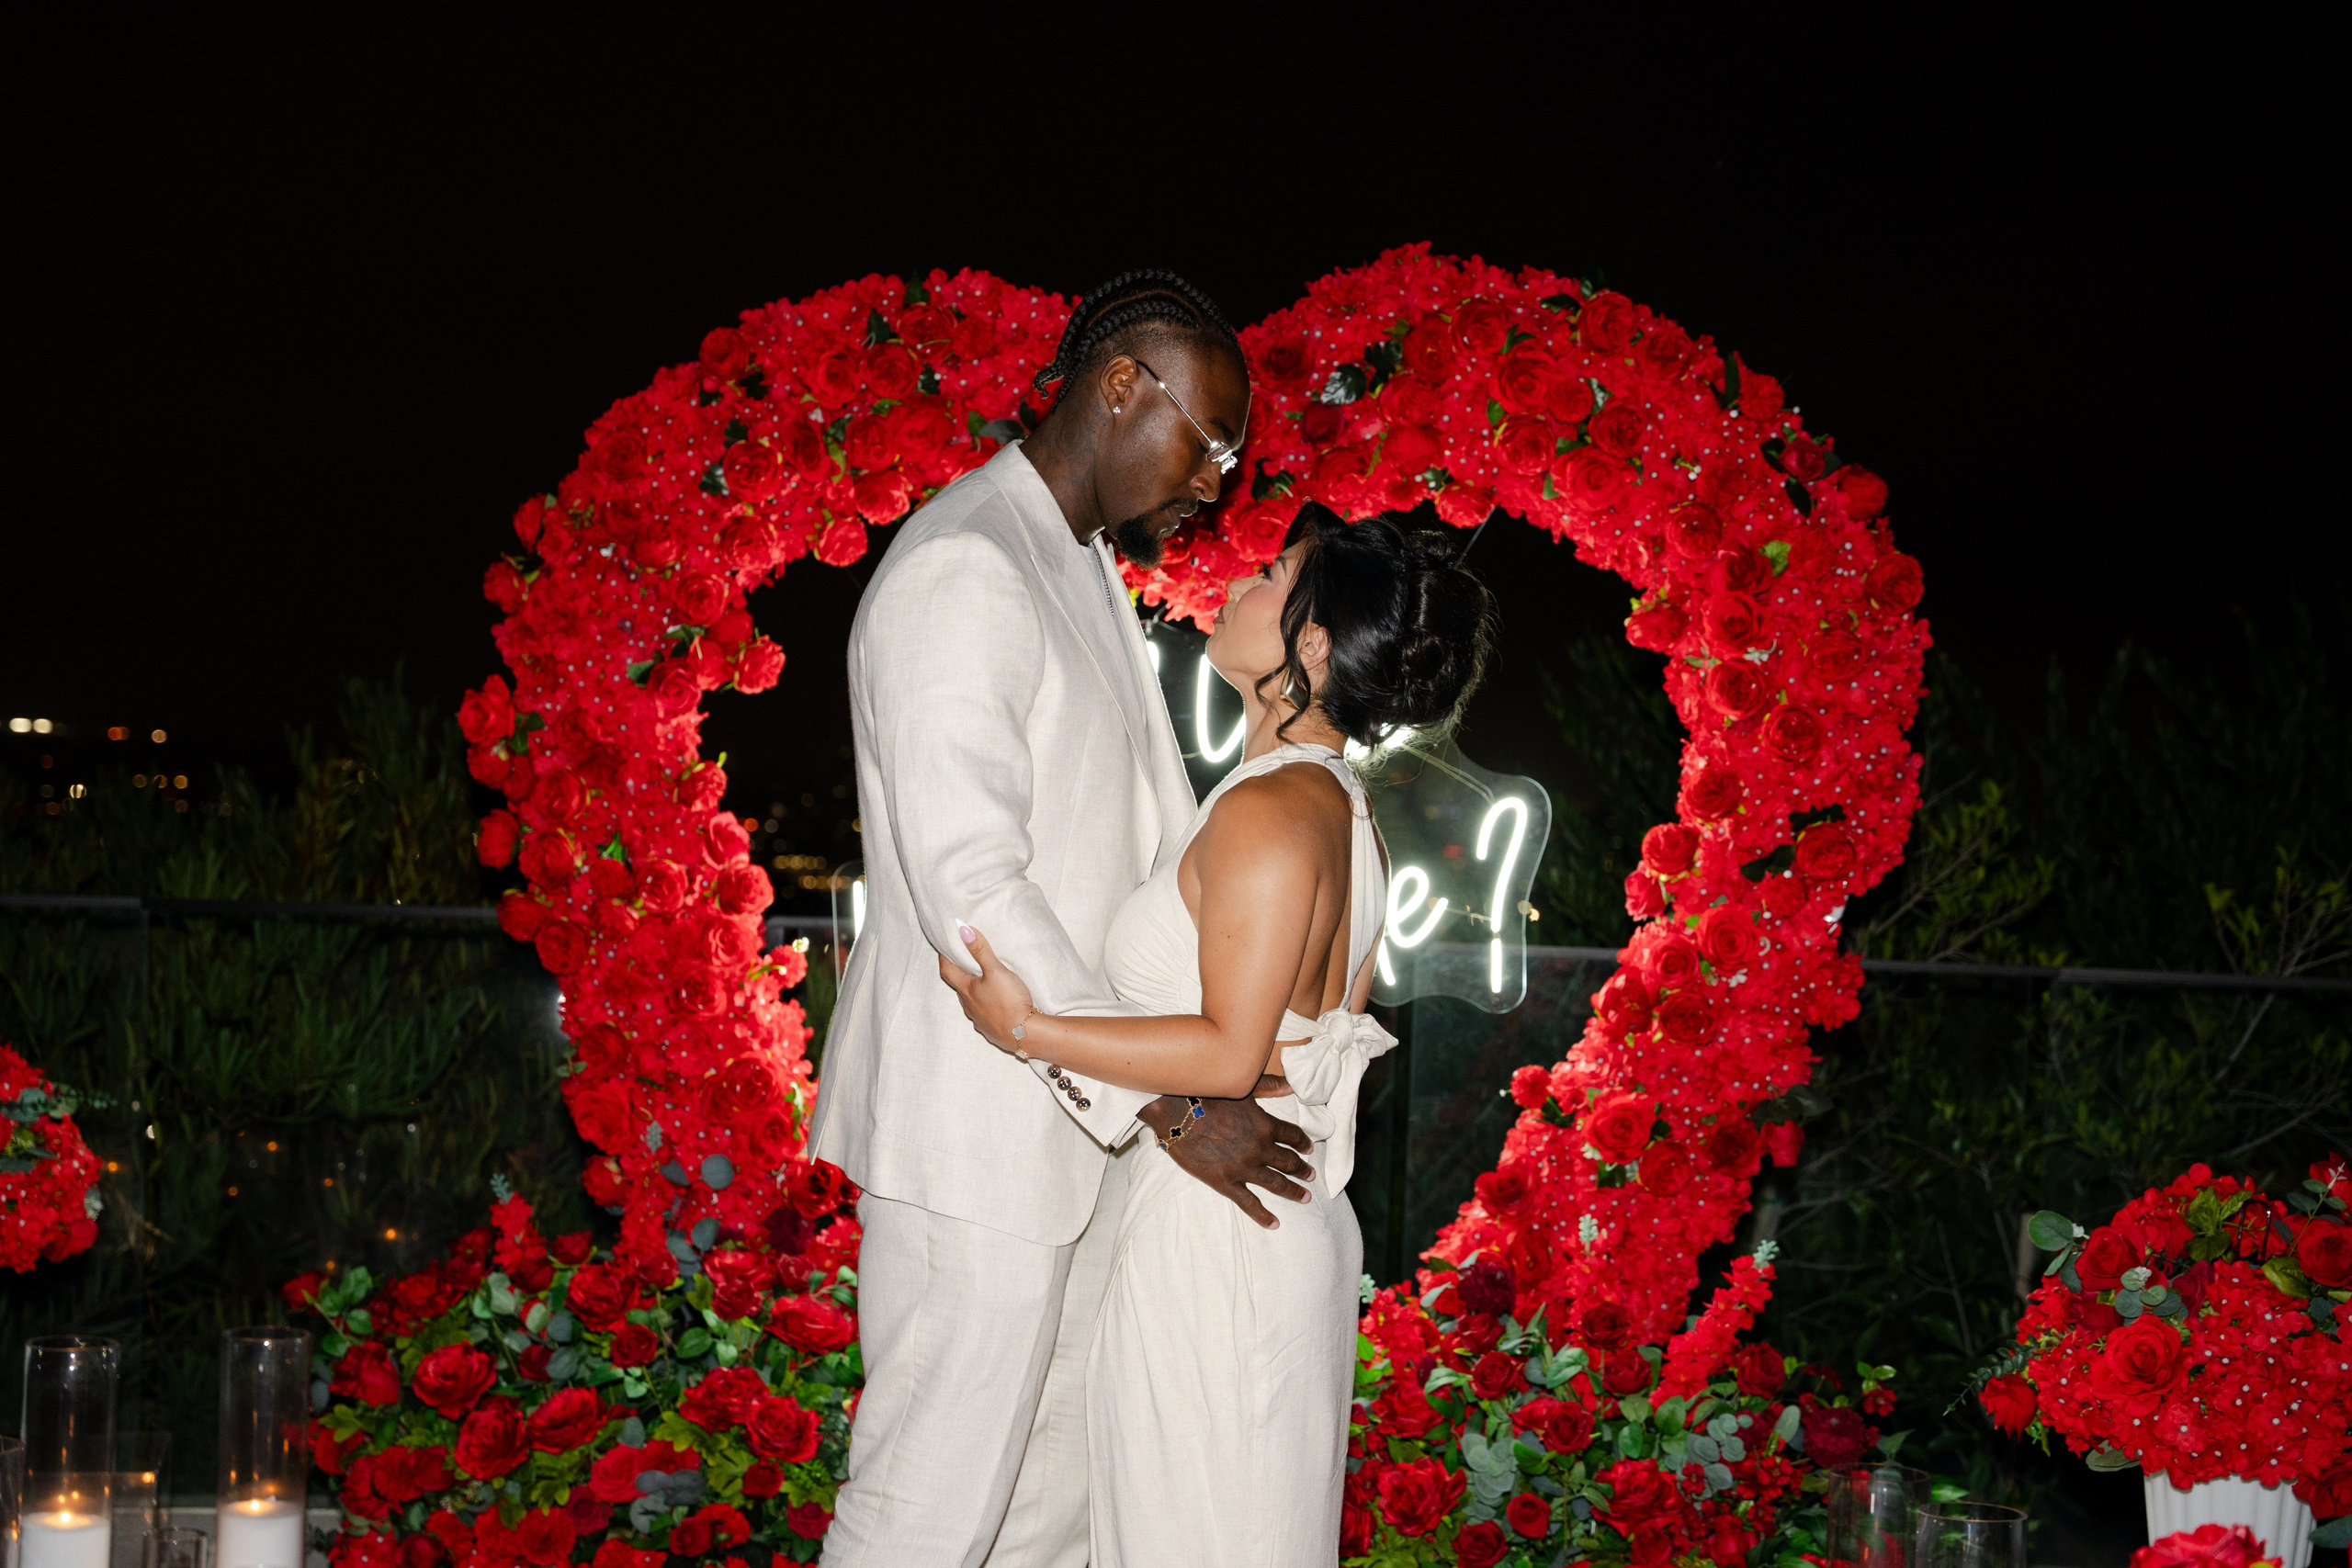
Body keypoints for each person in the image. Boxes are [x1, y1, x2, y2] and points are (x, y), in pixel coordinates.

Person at [808, 270, 1321, 1568]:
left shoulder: (1076, 562)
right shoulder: (967, 562)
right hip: (978, 1136)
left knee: (1045, 1513)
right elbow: (971, 882)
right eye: (1209, 441)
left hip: (1076, 1132)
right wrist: (1173, 1098)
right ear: (1118, 384)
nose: (1219, 478)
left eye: (1234, 457)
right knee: (925, 1509)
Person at [942, 502, 1498, 1566]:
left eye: (1270, 578)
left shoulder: (1273, 811)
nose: (1238, 584)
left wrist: (1030, 1025)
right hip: (1256, 1222)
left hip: (1220, 1242)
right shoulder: (1327, 806)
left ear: (1313, 649)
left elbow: (1227, 1053)